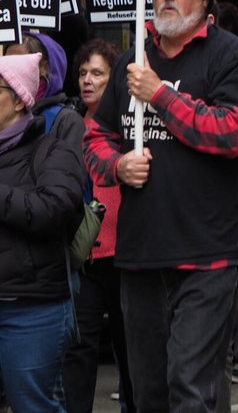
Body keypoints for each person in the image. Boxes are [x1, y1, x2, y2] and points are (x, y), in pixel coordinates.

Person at [83, 0, 238, 413]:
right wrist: (118, 166)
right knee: (148, 394)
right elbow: (96, 137)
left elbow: (232, 132)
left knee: (190, 387)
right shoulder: (133, 60)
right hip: (141, 254)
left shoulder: (229, 56)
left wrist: (159, 94)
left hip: (207, 256)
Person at [0, 51, 87, 412]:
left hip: (30, 310)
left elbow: (53, 211)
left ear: (20, 100)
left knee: (33, 405)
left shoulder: (53, 150)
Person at [61, 39, 138, 413]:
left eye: (97, 73)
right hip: (85, 257)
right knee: (78, 351)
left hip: (125, 255)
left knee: (131, 350)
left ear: (115, 79)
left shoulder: (130, 125)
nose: (87, 80)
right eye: (82, 73)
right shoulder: (69, 126)